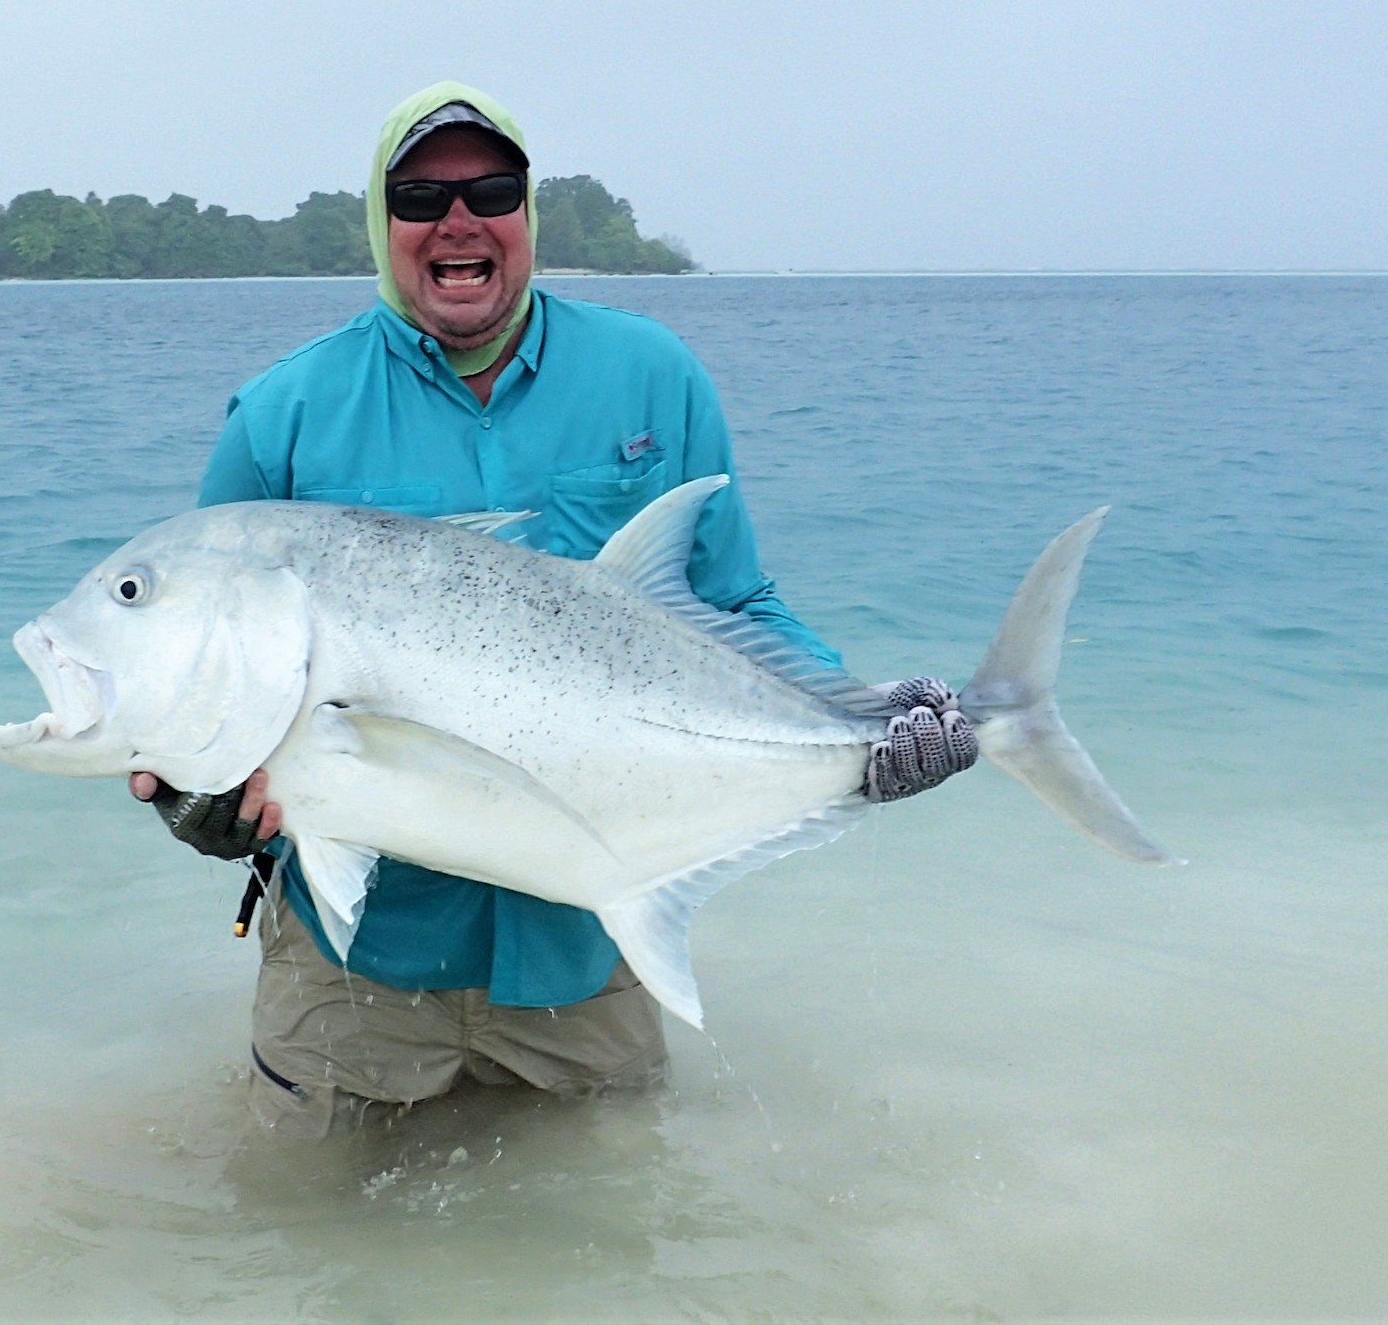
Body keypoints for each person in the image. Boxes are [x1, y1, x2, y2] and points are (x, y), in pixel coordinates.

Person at [130, 82, 974, 1137]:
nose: (456, 218)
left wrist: (858, 714)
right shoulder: (280, 418)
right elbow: (205, 660)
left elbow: (731, 598)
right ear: (377, 221)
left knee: (610, 1239)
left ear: (528, 213)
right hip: (355, 962)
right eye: (418, 195)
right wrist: (194, 797)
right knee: (302, 1249)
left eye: (490, 187)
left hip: (587, 941)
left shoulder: (650, 377)